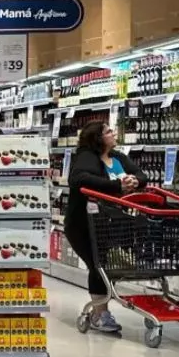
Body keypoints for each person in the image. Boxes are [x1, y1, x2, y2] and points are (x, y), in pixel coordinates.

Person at [64, 121, 150, 334]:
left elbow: (141, 175)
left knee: (104, 266)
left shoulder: (118, 157)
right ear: (98, 138)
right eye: (108, 131)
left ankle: (100, 312)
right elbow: (78, 178)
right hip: (83, 224)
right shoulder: (86, 156)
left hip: (110, 223)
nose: (113, 133)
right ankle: (100, 314)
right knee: (97, 265)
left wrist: (135, 181)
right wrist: (116, 185)